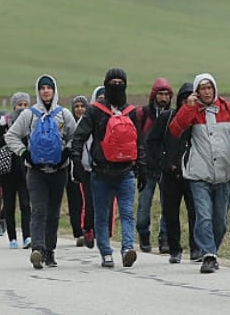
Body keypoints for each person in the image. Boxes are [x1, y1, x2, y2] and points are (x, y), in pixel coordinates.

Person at [169, 73, 230, 274]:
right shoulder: (192, 110)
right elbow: (176, 129)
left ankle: (211, 250)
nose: (207, 92)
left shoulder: (228, 109)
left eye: (209, 87)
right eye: (202, 88)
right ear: (197, 91)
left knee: (221, 220)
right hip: (199, 173)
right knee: (203, 216)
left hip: (224, 174)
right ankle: (209, 254)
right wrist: (188, 107)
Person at [6, 75, 78, 269]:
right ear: (37, 91)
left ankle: (50, 251)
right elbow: (11, 135)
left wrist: (67, 152)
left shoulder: (64, 114)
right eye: (42, 88)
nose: (45, 91)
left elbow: (76, 135)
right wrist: (24, 153)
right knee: (38, 210)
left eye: (49, 87)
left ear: (55, 90)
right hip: (35, 171)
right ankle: (37, 249)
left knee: (53, 213)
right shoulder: (29, 114)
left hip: (59, 171)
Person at [72, 68, 140, 269]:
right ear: (106, 83)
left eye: (120, 82)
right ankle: (106, 252)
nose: (117, 85)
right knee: (103, 215)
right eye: (113, 82)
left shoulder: (131, 112)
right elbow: (79, 137)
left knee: (126, 213)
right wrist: (77, 163)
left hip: (125, 172)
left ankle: (127, 249)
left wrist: (141, 167)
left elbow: (139, 142)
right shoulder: (94, 111)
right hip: (100, 173)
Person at [145, 82, 199, 264]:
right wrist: (162, 162)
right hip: (170, 174)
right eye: (185, 99)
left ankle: (196, 247)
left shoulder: (198, 120)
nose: (188, 103)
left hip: (193, 174)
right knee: (170, 214)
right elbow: (152, 142)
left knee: (196, 214)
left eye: (191, 99)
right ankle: (175, 249)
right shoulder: (168, 118)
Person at [132, 78, 173, 254]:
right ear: (154, 95)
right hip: (147, 167)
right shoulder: (142, 114)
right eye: (160, 94)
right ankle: (143, 233)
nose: (163, 97)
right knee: (143, 208)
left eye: (166, 94)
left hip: (166, 168)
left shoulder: (173, 115)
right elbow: (134, 139)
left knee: (168, 206)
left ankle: (164, 238)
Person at [0, 94, 32, 249]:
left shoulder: (32, 122)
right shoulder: (4, 122)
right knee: (9, 205)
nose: (22, 108)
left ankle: (27, 236)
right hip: (7, 171)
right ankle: (12, 238)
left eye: (25, 104)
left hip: (25, 169)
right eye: (19, 104)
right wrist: (6, 138)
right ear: (14, 106)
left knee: (26, 205)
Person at [65, 95, 95, 249]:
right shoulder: (69, 125)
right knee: (75, 202)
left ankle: (89, 229)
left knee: (88, 201)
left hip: (87, 169)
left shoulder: (91, 123)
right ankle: (78, 232)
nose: (79, 109)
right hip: (71, 169)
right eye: (76, 106)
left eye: (82, 106)